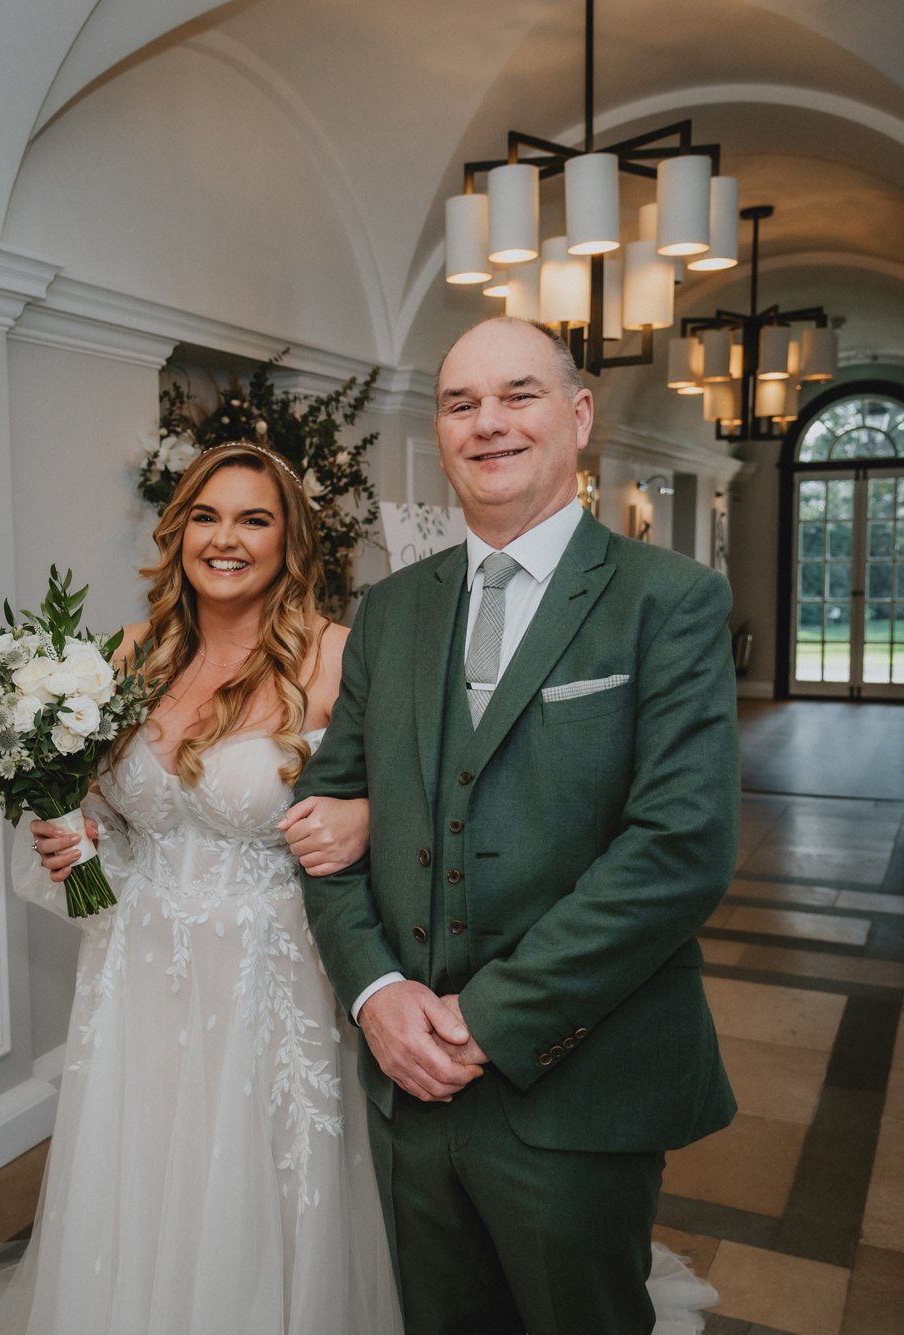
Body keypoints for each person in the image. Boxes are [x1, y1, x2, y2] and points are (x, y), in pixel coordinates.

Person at [296, 315, 736, 1335]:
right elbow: (317, 817)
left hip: (577, 1088)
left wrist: (483, 1022)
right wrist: (372, 995)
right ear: (440, 433)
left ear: (577, 416)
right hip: (409, 1090)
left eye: (516, 395)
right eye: (460, 404)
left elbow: (677, 850)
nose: (486, 423)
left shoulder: (665, 602)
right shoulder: (391, 611)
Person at [0, 441, 403, 1335]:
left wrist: (368, 814)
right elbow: (113, 823)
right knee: (143, 1172)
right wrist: (78, 839)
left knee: (252, 1182)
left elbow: (416, 800)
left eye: (254, 519)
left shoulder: (335, 657)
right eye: (208, 515)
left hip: (268, 973)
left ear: (289, 540)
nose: (226, 538)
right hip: (135, 964)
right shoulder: (129, 652)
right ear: (180, 529)